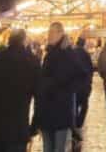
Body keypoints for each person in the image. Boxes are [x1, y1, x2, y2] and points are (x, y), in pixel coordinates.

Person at [0, 29, 41, 152]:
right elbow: (40, 97)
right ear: (24, 41)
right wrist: (34, 126)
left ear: (9, 40)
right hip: (16, 129)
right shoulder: (32, 62)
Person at [34, 22, 89, 152]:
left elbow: (82, 75)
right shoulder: (49, 54)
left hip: (60, 111)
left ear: (61, 33)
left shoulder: (68, 54)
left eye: (52, 32)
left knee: (58, 148)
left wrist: (67, 89)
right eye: (49, 32)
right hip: (47, 111)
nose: (49, 35)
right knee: (48, 148)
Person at [71, 36, 94, 142]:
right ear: (83, 44)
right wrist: (89, 83)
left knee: (75, 106)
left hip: (74, 86)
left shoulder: (72, 53)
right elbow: (90, 70)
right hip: (84, 86)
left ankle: (75, 125)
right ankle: (79, 124)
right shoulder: (86, 54)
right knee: (85, 106)